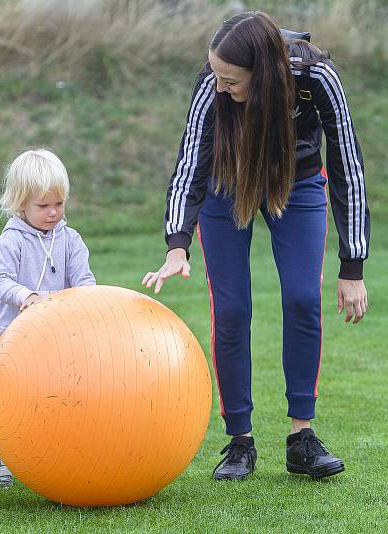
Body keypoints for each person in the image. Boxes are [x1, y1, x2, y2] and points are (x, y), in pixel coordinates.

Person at [142, 11, 370, 480]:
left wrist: (353, 266)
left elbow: (348, 163)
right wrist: (177, 245)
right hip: (226, 186)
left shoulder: (316, 77)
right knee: (232, 309)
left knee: (303, 299)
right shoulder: (212, 84)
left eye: (230, 79)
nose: (220, 86)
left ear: (262, 71)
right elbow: (191, 162)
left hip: (298, 183)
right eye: (216, 76)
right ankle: (239, 442)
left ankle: (301, 439)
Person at [0, 148, 96, 488]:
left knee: (60, 397)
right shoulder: (11, 241)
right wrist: (27, 296)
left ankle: (59, 453)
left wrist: (90, 301)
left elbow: (85, 281)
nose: (52, 213)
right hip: (16, 337)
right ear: (20, 204)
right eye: (43, 206)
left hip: (60, 337)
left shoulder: (70, 240)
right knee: (18, 399)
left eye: (58, 205)